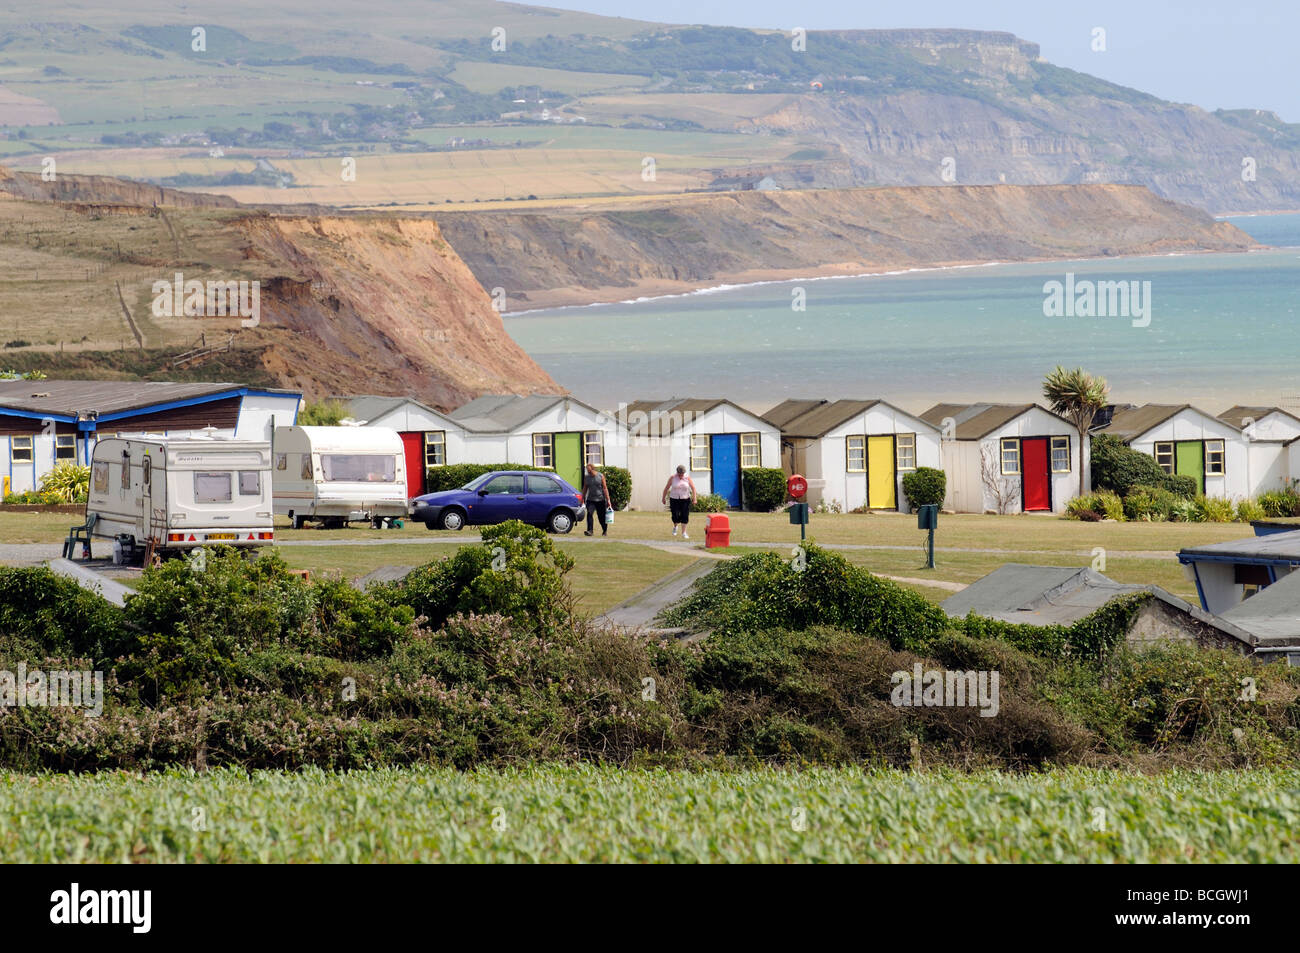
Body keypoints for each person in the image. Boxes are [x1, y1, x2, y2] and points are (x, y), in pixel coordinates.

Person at [661, 465, 697, 539]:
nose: (681, 475)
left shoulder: (687, 478)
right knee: (675, 515)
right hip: (674, 499)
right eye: (679, 474)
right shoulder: (673, 478)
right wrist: (663, 498)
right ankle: (675, 526)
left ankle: (684, 532)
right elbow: (666, 488)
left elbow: (693, 488)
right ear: (677, 472)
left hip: (685, 499)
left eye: (682, 474)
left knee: (685, 515)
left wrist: (694, 498)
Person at [582, 463, 611, 536]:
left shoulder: (600, 476)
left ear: (593, 469)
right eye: (587, 471)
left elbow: (605, 488)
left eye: (589, 470)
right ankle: (590, 531)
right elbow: (585, 488)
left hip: (600, 500)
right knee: (589, 514)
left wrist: (608, 500)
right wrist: (582, 498)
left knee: (601, 517)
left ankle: (604, 531)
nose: (588, 472)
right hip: (590, 500)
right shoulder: (587, 477)